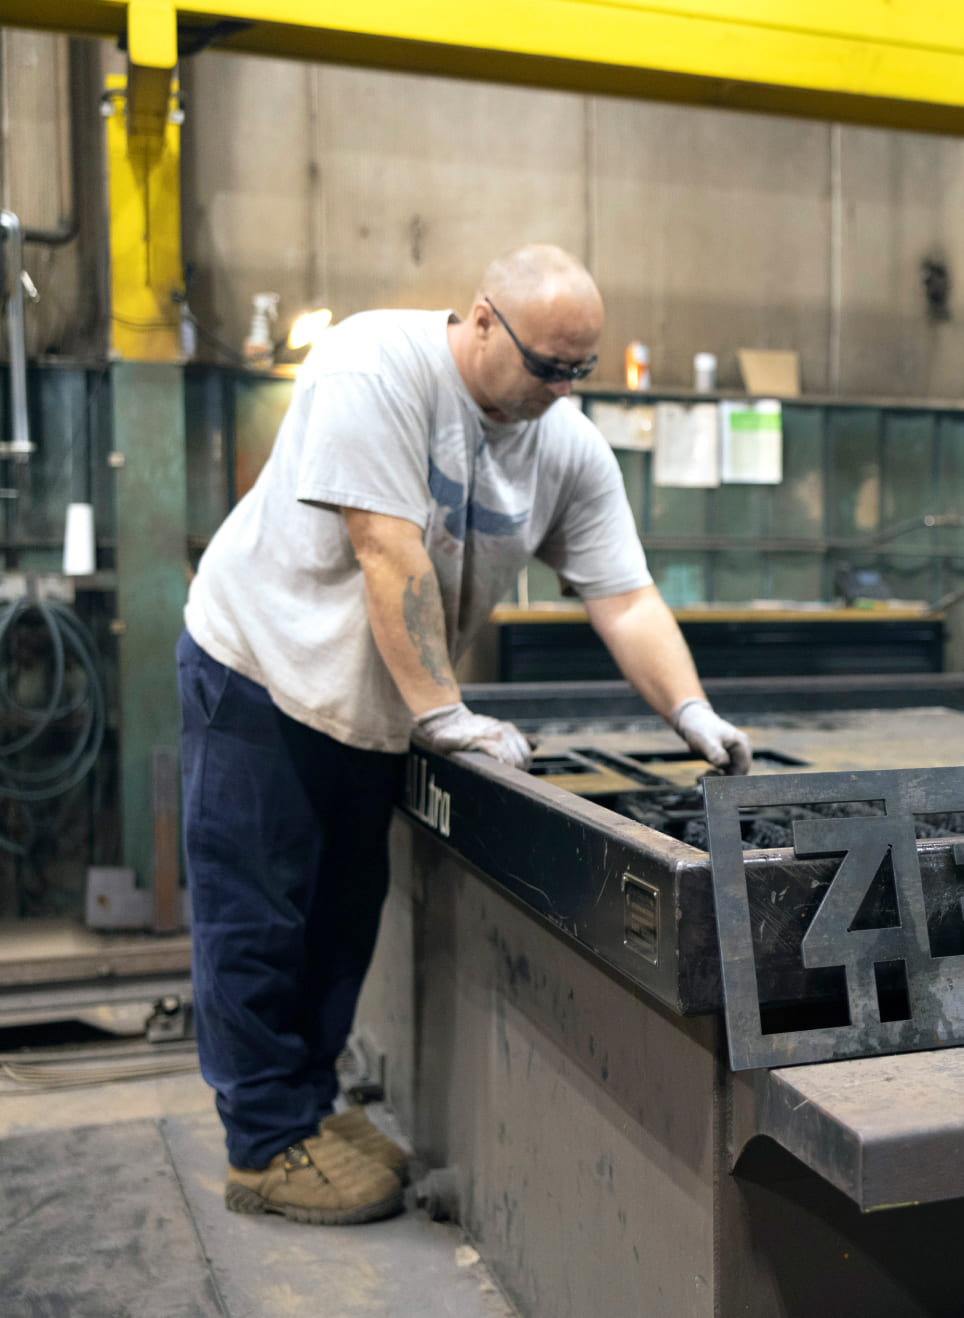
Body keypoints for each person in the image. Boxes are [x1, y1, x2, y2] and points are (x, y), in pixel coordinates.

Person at [179, 244, 750, 1225]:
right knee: (260, 912)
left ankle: (305, 1106)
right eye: (546, 365)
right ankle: (264, 1145)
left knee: (339, 915)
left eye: (580, 370)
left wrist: (691, 711)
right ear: (483, 319)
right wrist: (445, 714)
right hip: (260, 671)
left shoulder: (563, 443)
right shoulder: (375, 366)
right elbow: (385, 546)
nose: (560, 389)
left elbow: (624, 595)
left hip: (371, 707)